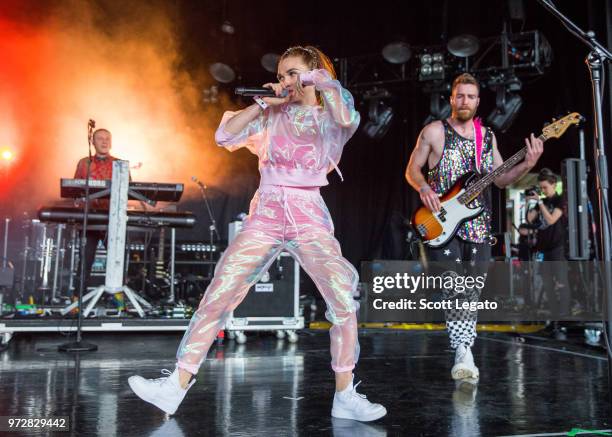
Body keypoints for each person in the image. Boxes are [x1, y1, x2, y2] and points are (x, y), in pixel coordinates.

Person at [128, 45, 387, 422]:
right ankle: (175, 386)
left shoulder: (330, 109)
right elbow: (224, 134)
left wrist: (316, 82)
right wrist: (264, 104)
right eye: (282, 74)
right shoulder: (271, 113)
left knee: (342, 297)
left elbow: (346, 115)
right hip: (266, 210)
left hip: (307, 211)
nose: (286, 81)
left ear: (313, 73)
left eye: (293, 73)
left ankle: (345, 394)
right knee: (220, 292)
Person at [405, 73, 543, 383]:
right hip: (441, 221)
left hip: (479, 226)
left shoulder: (488, 137)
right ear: (451, 99)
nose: (465, 101)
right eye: (460, 96)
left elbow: (501, 179)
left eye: (471, 96)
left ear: (478, 101)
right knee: (455, 288)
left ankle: (464, 347)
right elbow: (412, 169)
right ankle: (463, 350)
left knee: (472, 291)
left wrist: (527, 164)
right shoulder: (434, 131)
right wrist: (423, 187)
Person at [73, 129, 122, 301]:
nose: (104, 141)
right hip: (90, 219)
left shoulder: (119, 164)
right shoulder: (84, 163)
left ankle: (117, 300)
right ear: (93, 142)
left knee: (117, 261)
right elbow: (75, 189)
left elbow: (128, 189)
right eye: (100, 138)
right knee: (85, 260)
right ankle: (78, 299)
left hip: (113, 219)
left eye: (107, 139)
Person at [527, 168, 570, 321]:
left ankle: (564, 314)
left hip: (557, 246)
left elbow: (552, 220)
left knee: (560, 282)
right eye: (541, 187)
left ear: (554, 184)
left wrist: (540, 202)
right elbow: (530, 219)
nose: (543, 190)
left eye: (545, 187)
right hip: (543, 247)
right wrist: (531, 204)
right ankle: (553, 315)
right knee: (547, 282)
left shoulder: (560, 200)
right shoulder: (542, 202)